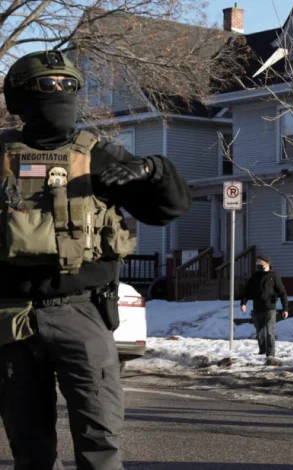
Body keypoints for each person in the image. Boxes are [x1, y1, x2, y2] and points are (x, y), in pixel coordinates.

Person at [0, 50, 191, 469]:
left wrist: (154, 170)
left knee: (100, 441)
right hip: (11, 320)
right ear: (18, 100)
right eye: (45, 86)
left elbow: (170, 209)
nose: (58, 93)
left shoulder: (102, 158)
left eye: (67, 86)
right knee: (28, 445)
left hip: (82, 312)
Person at [240, 254, 289, 365]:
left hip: (270, 308)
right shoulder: (255, 276)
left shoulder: (274, 276)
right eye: (257, 263)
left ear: (267, 263)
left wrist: (285, 308)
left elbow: (282, 292)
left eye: (260, 262)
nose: (258, 264)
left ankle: (270, 354)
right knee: (260, 333)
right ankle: (262, 352)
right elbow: (247, 291)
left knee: (269, 332)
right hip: (257, 308)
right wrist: (243, 303)